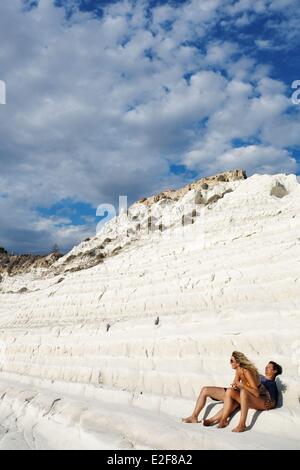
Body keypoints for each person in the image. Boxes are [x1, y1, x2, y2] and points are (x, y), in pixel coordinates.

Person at [202, 359, 282, 432]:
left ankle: (242, 424)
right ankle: (213, 420)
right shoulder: (259, 377)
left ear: (275, 371)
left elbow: (273, 400)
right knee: (230, 392)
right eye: (266, 366)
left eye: (269, 367)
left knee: (243, 392)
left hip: (258, 400)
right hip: (248, 396)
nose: (266, 368)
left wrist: (271, 403)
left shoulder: (271, 384)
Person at [182, 351, 255, 424]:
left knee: (231, 400)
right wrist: (236, 384)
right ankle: (194, 417)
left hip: (241, 396)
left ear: (238, 362)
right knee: (205, 390)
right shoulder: (238, 370)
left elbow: (254, 389)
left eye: (232, 361)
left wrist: (240, 386)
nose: (230, 362)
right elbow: (235, 384)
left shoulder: (246, 371)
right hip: (234, 392)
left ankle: (212, 420)